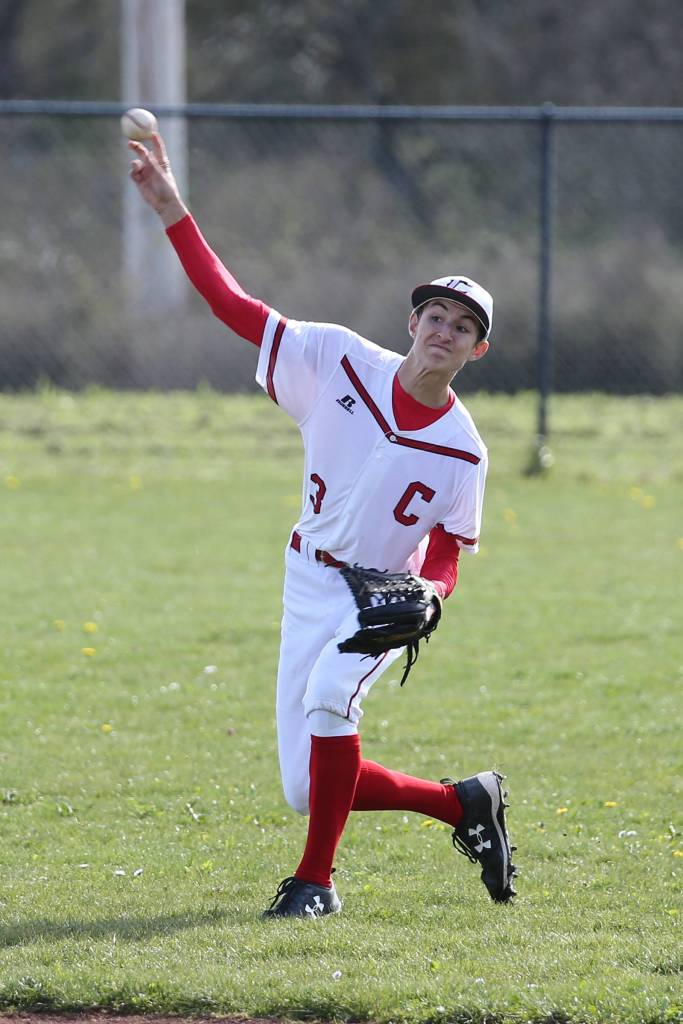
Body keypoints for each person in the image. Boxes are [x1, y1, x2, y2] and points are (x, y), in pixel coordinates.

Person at [128, 132, 517, 918]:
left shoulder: (463, 449)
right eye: (433, 314)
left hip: (376, 600)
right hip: (306, 579)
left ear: (477, 351)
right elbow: (234, 309)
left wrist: (430, 597)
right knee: (305, 787)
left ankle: (316, 885)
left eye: (461, 326)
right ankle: (462, 803)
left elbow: (446, 548)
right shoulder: (338, 361)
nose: (442, 330)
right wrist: (174, 212)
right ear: (412, 322)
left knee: (335, 699)